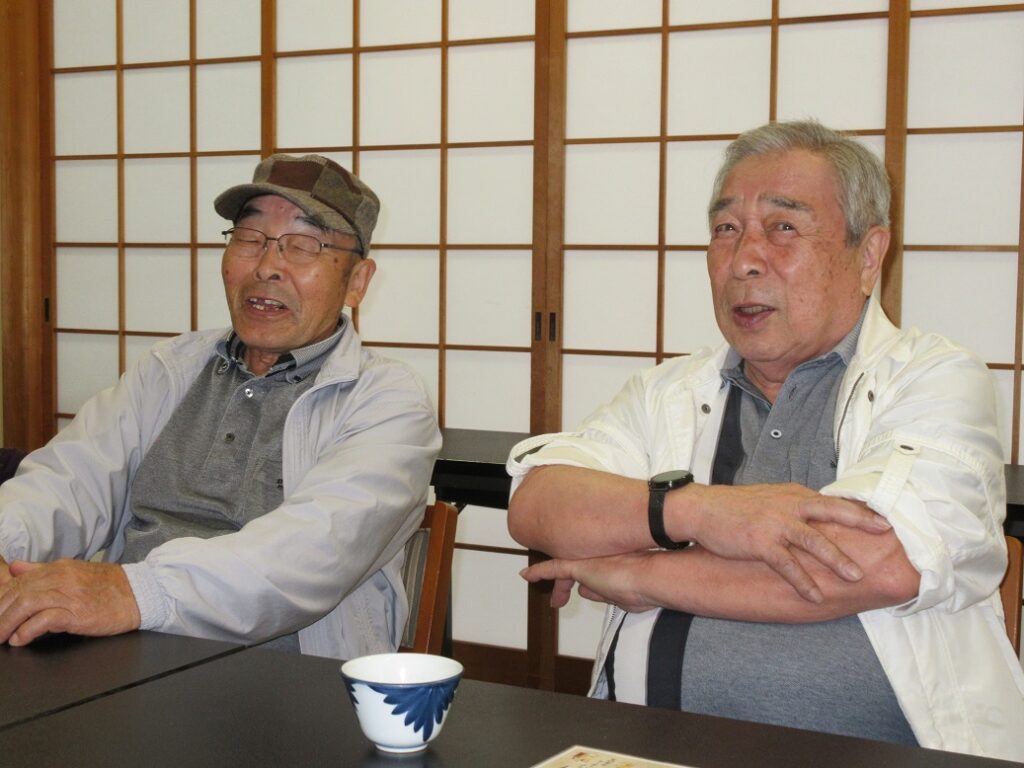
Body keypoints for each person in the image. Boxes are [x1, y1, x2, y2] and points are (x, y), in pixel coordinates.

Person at [506, 121, 1024, 760]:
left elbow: (877, 563)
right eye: (726, 228)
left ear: (868, 256)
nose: (744, 260)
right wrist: (705, 512)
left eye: (783, 227)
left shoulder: (933, 376)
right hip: (646, 746)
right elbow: (538, 504)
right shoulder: (668, 390)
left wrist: (638, 572)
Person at [0, 154, 441, 660]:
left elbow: (310, 554)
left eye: (304, 245)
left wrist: (129, 592)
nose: (267, 267)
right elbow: (69, 479)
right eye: (249, 238)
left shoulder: (386, 401)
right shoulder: (169, 369)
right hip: (125, 657)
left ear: (358, 282)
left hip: (291, 680)